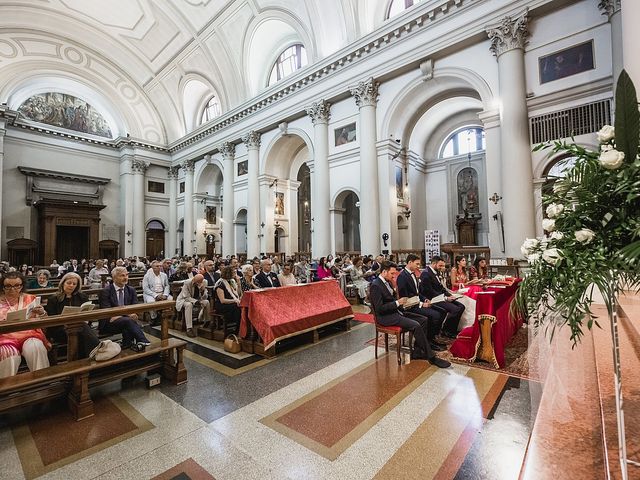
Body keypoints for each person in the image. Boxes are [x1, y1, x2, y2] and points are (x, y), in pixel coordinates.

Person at [369, 262, 450, 368]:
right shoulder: (376, 285)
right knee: (415, 325)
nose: (394, 276)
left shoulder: (387, 282)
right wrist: (397, 302)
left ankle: (417, 351)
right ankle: (431, 357)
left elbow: (391, 299)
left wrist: (400, 303)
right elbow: (379, 309)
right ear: (384, 272)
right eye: (392, 273)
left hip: (395, 312)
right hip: (385, 318)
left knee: (424, 319)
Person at [0, 272, 50, 377]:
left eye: (17, 286)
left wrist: (42, 313)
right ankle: (6, 389)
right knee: (9, 355)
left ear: (22, 286)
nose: (13, 289)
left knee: (36, 347)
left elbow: (44, 320)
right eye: (8, 286)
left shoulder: (30, 298)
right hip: (5, 336)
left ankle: (41, 383)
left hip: (29, 334)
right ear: (2, 287)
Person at [396, 254, 447, 352]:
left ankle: (432, 337)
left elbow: (417, 293)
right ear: (410, 262)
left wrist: (425, 299)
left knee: (442, 311)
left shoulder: (413, 273)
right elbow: (405, 298)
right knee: (435, 315)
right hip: (410, 307)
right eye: (417, 264)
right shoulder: (402, 276)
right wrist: (421, 304)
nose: (419, 266)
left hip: (417, 302)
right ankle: (427, 341)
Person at [45, 272, 100, 358]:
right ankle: (98, 350)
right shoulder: (53, 299)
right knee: (81, 329)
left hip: (80, 328)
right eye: (69, 283)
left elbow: (89, 316)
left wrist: (86, 319)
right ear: (63, 283)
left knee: (81, 329)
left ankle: (83, 361)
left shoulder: (82, 297)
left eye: (74, 284)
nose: (71, 286)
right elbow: (51, 321)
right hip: (60, 329)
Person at [98, 267, 151, 347]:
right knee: (128, 321)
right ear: (114, 278)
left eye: (126, 275)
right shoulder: (106, 291)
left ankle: (127, 346)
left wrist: (133, 313)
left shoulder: (131, 290)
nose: (125, 277)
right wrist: (120, 315)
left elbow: (135, 306)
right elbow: (106, 309)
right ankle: (143, 341)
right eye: (122, 275)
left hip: (126, 320)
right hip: (109, 322)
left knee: (128, 324)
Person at [418, 256, 464, 338]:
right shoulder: (426, 274)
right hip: (432, 299)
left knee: (461, 306)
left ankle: (450, 329)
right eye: (440, 266)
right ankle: (446, 331)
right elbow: (430, 292)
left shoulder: (436, 272)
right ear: (433, 263)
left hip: (440, 297)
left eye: (443, 266)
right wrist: (445, 298)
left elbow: (441, 288)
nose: (442, 268)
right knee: (455, 309)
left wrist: (450, 295)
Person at [214, 266, 241, 335]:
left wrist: (239, 284)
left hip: (231, 303)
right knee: (238, 308)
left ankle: (241, 327)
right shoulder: (220, 284)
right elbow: (222, 300)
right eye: (234, 272)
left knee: (242, 306)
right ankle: (237, 330)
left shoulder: (231, 281)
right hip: (222, 305)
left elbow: (237, 294)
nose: (235, 274)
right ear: (228, 273)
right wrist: (235, 301)